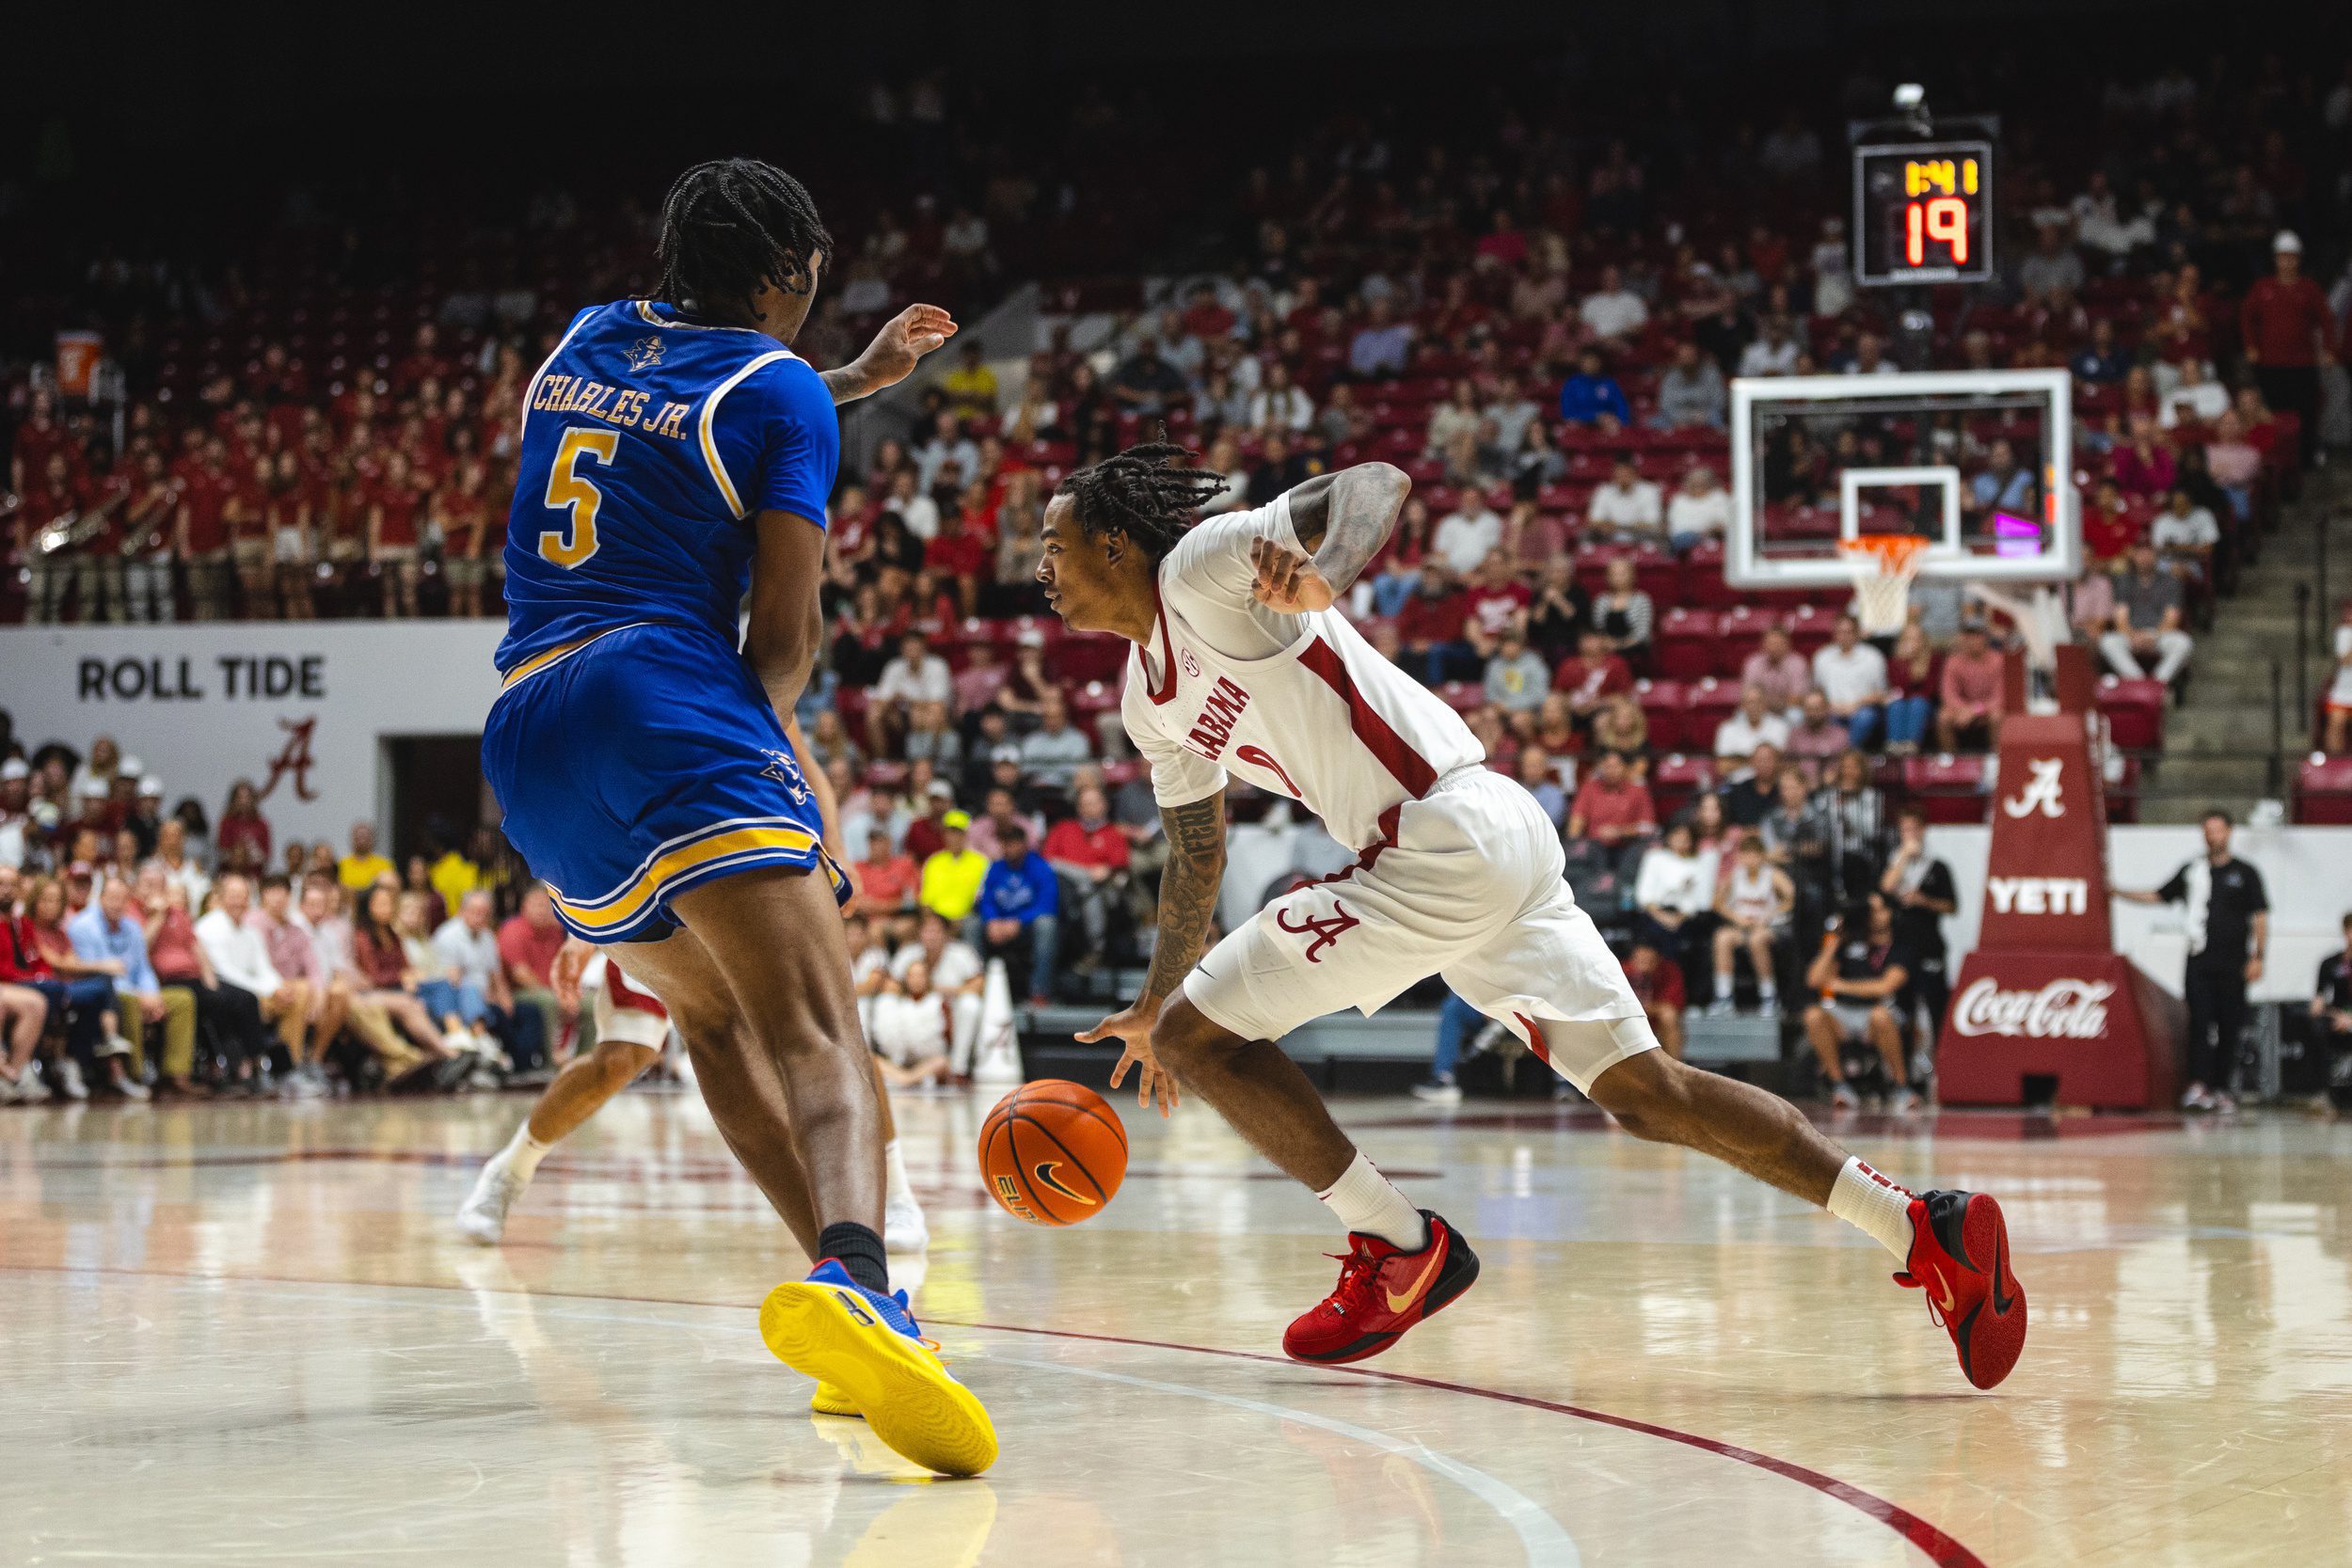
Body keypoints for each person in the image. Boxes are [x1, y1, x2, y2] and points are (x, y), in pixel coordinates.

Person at [1038, 441, 2025, 1388]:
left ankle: (1398, 1246)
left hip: (1437, 835)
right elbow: (1199, 848)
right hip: (1469, 846)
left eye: (1054, 544)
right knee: (1648, 1093)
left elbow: (1374, 483)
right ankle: (1918, 1224)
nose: (1039, 565)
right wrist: (1156, 994)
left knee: (1204, 1041)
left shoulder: (1204, 570)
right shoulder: (1146, 703)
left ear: (1114, 545)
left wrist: (1326, 570)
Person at [473, 159, 992, 1475]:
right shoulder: (774, 391)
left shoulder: (585, 341)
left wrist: (857, 382)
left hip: (529, 732)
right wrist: (774, 770)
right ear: (791, 276)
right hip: (666, 694)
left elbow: (695, 417)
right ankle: (867, 1281)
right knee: (816, 1021)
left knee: (708, 1019)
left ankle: (852, 1295)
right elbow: (785, 636)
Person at [2116, 811, 2268, 1112]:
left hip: (2234, 964)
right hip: (2199, 963)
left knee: (2229, 1027)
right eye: (2208, 830)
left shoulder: (2246, 873)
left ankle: (2222, 1088)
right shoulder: (2192, 871)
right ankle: (2198, 1085)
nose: (2214, 836)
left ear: (2229, 832)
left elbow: (2260, 916)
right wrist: (2116, 892)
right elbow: (2159, 895)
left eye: (2219, 830)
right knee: (2198, 1023)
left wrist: (2258, 956)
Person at [1804, 891, 1919, 1113]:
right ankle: (1840, 1085)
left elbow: (1885, 986)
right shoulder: (1850, 942)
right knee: (1813, 1015)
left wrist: (1840, 985)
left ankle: (1902, 1086)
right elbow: (1814, 980)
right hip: (1843, 1013)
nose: (1874, 915)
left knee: (1880, 1016)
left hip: (1881, 1011)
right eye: (1869, 910)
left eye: (1879, 909)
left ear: (1890, 913)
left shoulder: (1901, 945)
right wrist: (1835, 940)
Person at [1881, 806, 1957, 1081]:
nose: (1909, 835)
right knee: (1903, 1009)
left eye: (1914, 829)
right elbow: (1886, 888)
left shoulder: (1937, 866)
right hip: (1902, 948)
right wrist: (1902, 857)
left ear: (1923, 830)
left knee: (1936, 1008)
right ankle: (1904, 1075)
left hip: (1930, 945)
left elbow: (1951, 905)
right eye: (1904, 830)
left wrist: (1924, 900)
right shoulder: (1895, 863)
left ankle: (1941, 1073)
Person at [1709, 832, 1791, 1019]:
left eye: (1754, 855)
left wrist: (1769, 916)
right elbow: (1716, 902)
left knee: (1757, 940)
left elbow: (1791, 899)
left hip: (1768, 928)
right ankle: (1724, 997)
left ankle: (1769, 997)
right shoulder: (1735, 875)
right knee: (1722, 938)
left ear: (1762, 856)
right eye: (1745, 855)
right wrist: (1736, 918)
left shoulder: (1772, 874)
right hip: (1742, 927)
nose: (1749, 860)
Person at [977, 823, 1059, 1006]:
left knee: (1047, 924)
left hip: (1027, 927)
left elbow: (1046, 904)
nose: (1009, 848)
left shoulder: (1040, 867)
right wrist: (991, 920)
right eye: (1005, 843)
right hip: (999, 925)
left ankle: (1040, 991)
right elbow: (986, 899)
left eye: (1013, 843)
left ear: (1023, 844)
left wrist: (1018, 922)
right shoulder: (995, 868)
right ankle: (976, 984)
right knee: (971, 924)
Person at [2102, 540, 2195, 686]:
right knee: (2108, 641)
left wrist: (2154, 636)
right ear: (2134, 556)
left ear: (2156, 556)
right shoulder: (2124, 580)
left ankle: (2158, 684)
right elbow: (2120, 618)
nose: (2144, 558)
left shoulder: (2170, 581)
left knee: (2184, 643)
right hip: (2131, 633)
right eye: (2140, 554)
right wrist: (2133, 636)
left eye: (2149, 553)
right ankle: (2139, 683)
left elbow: (2172, 618)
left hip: (2160, 634)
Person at [1812, 614, 1890, 750]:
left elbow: (1881, 693)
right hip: (1831, 709)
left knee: (1865, 717)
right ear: (1834, 634)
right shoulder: (1822, 657)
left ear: (1857, 633)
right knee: (1818, 715)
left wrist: (1855, 705)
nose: (1844, 636)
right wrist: (1830, 706)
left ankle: (1847, 754)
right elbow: (1817, 690)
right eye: (1840, 632)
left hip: (1862, 708)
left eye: (1849, 632)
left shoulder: (1873, 657)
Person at [1620, 942, 1686, 1062]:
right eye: (1641, 961)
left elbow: (1674, 1004)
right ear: (1632, 959)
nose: (1644, 967)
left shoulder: (1669, 971)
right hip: (1626, 1017)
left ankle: (1674, 1065)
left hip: (1654, 1018)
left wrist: (1648, 1008)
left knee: (1669, 1015)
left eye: (1650, 961)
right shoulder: (1620, 971)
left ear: (1659, 960)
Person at [2311, 913, 2352, 1095]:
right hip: (2337, 1015)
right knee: (2317, 1025)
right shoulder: (2331, 963)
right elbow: (2317, 1004)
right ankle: (2323, 1089)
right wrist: (2337, 1016)